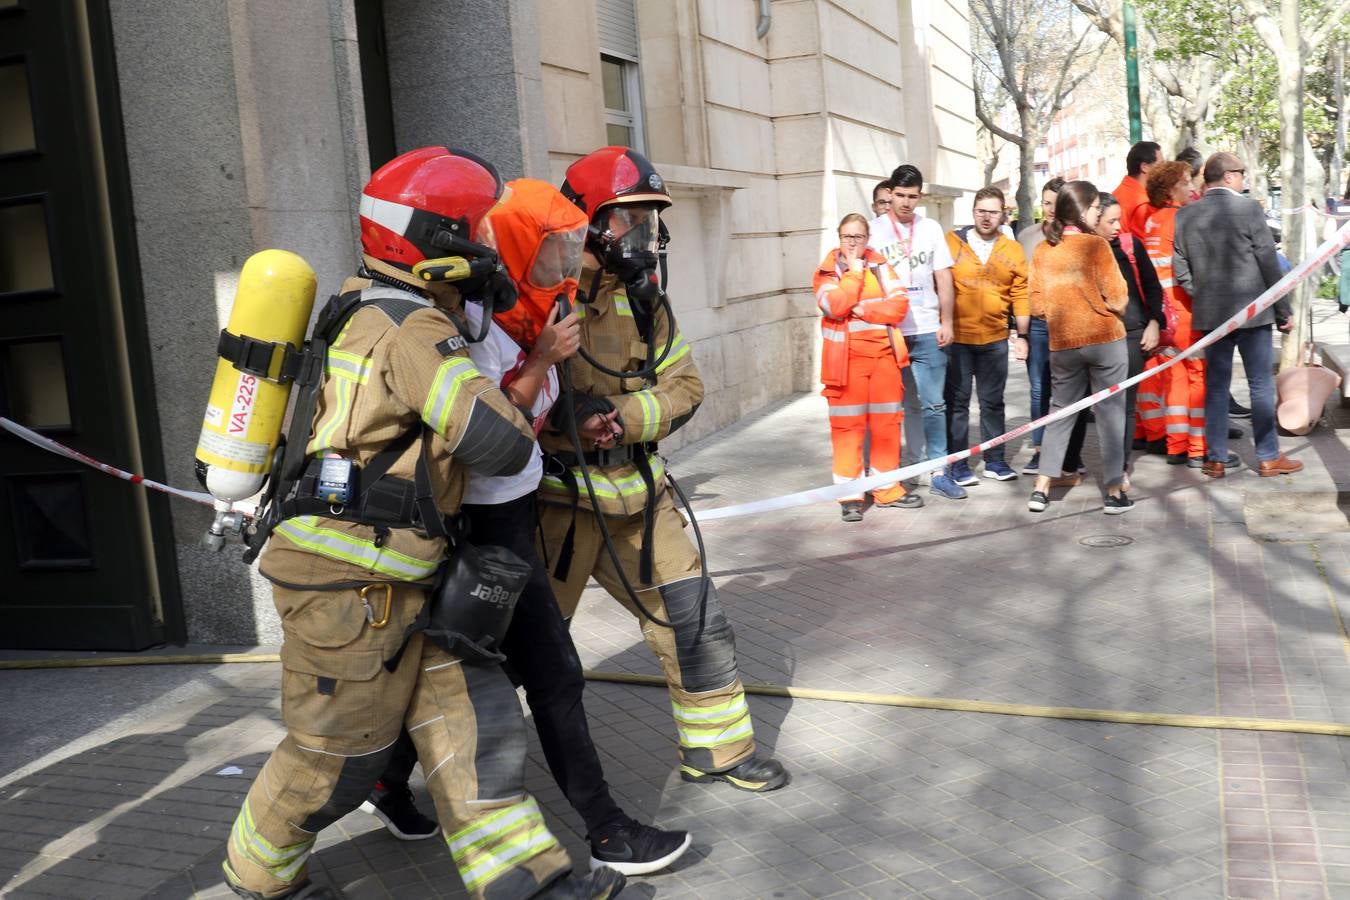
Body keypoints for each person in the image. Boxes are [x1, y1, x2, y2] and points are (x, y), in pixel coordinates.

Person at [221, 148, 625, 900]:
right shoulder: (410, 328)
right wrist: (510, 370)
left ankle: (530, 883)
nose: (482, 247)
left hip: (406, 573)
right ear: (432, 240)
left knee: (478, 727)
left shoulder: (361, 302)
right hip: (350, 589)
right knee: (333, 759)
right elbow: (498, 438)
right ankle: (257, 876)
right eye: (470, 231)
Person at [364, 179, 692, 878]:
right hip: (482, 523)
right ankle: (606, 830)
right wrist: (542, 358)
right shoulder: (472, 327)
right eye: (552, 249)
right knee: (550, 672)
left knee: (499, 669)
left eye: (572, 247)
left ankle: (386, 782)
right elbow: (486, 434)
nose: (565, 263)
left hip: (515, 512)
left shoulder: (524, 314)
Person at [537, 147, 790, 793]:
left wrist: (619, 417)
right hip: (553, 508)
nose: (644, 235)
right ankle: (404, 770)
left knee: (696, 621)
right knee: (521, 651)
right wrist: (565, 415)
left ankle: (720, 753)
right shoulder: (538, 296)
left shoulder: (648, 303)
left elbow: (686, 388)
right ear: (588, 220)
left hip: (639, 499)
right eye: (631, 218)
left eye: (651, 219)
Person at [1173, 152, 1302, 478]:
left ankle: (1215, 458)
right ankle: (1268, 456)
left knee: (1216, 387)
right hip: (1253, 312)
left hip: (1211, 315)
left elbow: (1180, 267)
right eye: (1242, 173)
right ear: (1229, 176)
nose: (1244, 179)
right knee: (1260, 385)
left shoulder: (1186, 214)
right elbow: (1268, 262)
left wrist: (1201, 294)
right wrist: (1282, 309)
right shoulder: (1248, 208)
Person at [1024, 180, 1132, 515]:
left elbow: (1037, 306)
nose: (1099, 214)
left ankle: (1042, 487)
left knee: (1060, 412)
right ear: (1083, 211)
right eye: (1097, 209)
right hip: (1105, 340)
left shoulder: (1043, 251)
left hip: (1063, 343)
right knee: (1111, 415)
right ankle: (1114, 490)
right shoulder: (1096, 246)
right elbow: (1119, 298)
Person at [868, 163, 966, 499]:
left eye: (912, 196)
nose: (906, 202)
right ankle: (891, 472)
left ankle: (939, 469)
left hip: (926, 329)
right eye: (900, 196)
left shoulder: (931, 229)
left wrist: (947, 321)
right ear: (890, 195)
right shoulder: (873, 231)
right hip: (889, 330)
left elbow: (944, 278)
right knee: (889, 405)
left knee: (933, 404)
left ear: (919, 197)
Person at [814, 213, 916, 521]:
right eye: (847, 237)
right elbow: (835, 305)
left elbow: (899, 306)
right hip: (846, 366)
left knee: (886, 428)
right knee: (847, 430)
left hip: (884, 360)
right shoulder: (827, 270)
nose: (852, 243)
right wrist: (855, 274)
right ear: (839, 237)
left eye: (858, 237)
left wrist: (863, 310)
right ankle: (850, 496)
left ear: (867, 238)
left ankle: (886, 490)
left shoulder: (882, 264)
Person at [1060, 192, 1164, 491]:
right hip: (1087, 338)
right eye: (1111, 220)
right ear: (1093, 220)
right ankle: (1068, 464)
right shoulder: (1078, 250)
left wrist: (1154, 322)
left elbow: (1153, 287)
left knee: (1124, 407)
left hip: (1131, 336)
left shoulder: (1130, 246)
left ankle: (1118, 470)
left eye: (1120, 219)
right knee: (1077, 405)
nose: (1118, 226)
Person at [943, 187, 1029, 485]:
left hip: (994, 339)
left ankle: (995, 460)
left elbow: (1020, 293)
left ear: (1003, 214)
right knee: (957, 403)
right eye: (982, 211)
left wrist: (1022, 334)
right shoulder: (952, 243)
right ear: (973, 212)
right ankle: (958, 465)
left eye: (993, 212)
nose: (987, 217)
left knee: (993, 402)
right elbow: (938, 283)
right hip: (958, 339)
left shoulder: (1013, 250)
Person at [1137, 160, 1207, 467]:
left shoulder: (1152, 220)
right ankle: (1194, 447)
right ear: (1170, 189)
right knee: (1195, 375)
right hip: (1183, 311)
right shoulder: (1182, 219)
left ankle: (1167, 440)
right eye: (1186, 182)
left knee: (1167, 374)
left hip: (1160, 313)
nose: (1192, 187)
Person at [1018, 176, 1064, 475]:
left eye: (1056, 204)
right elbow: (1019, 284)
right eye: (1046, 202)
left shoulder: (1075, 237)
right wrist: (1019, 330)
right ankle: (1039, 448)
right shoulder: (1026, 236)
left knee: (1067, 391)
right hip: (1035, 324)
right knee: (1039, 390)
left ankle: (1068, 451)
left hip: (1066, 324)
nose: (1049, 209)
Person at [1114, 140, 1163, 235]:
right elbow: (1145, 245)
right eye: (1161, 165)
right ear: (1145, 167)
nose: (1164, 170)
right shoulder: (1141, 203)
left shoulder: (1119, 192)